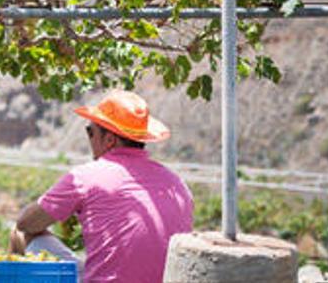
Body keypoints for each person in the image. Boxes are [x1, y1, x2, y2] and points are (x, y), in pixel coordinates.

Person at [10, 90, 194, 282]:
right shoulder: (177, 184)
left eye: (90, 132)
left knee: (20, 234)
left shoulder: (85, 177)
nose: (89, 139)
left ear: (109, 140)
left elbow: (26, 222)